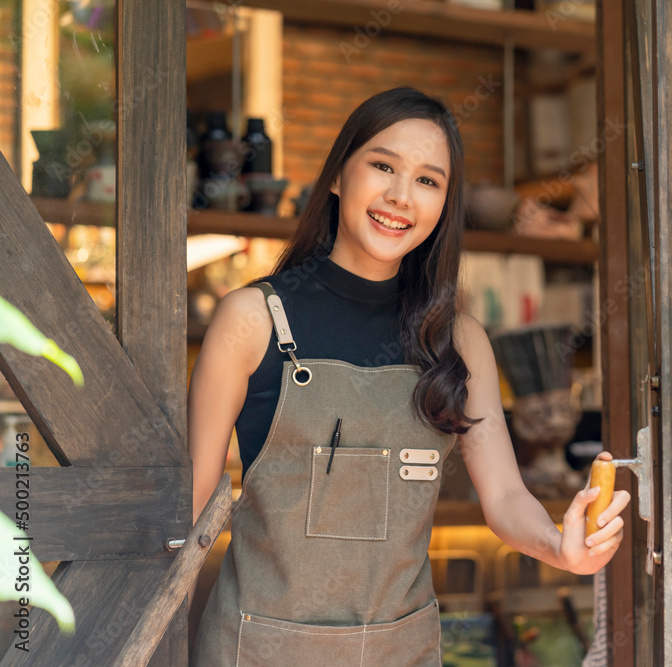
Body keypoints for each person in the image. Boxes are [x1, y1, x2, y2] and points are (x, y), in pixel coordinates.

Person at [188, 87, 630, 666]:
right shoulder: (252, 320)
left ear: (445, 203)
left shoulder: (459, 340)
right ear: (339, 176)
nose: (400, 196)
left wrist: (562, 548)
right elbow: (189, 511)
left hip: (402, 650)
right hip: (260, 650)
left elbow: (502, 496)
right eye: (383, 166)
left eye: (428, 180)